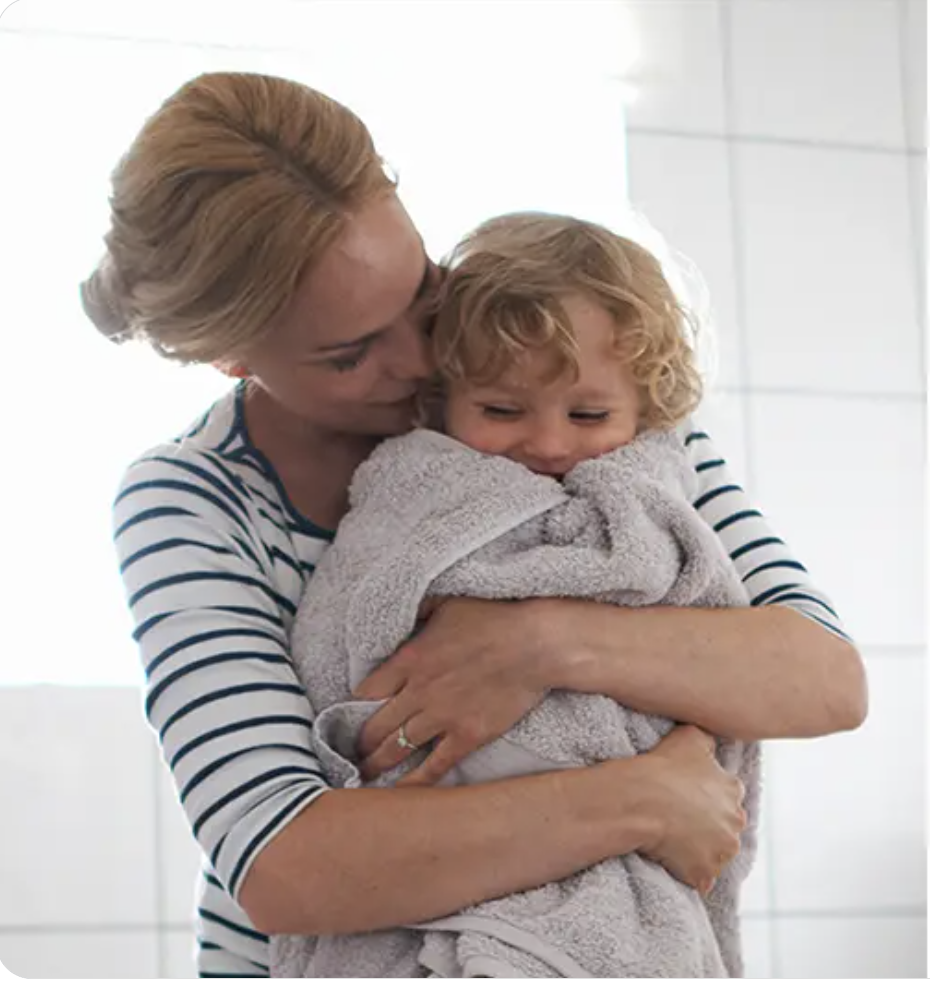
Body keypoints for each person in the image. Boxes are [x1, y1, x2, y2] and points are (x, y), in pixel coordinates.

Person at [82, 72, 866, 979]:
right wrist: (642, 800)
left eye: (421, 293)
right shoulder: (195, 502)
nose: (422, 360)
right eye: (349, 353)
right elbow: (285, 864)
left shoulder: (573, 406)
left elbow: (824, 680)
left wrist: (543, 642)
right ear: (229, 357)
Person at [274, 210, 762, 979]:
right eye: (501, 410)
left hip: (626, 859)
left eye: (590, 414)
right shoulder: (417, 491)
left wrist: (552, 650)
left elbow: (788, 669)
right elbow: (346, 638)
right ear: (440, 400)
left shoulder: (665, 492)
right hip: (427, 847)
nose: (551, 443)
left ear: (646, 406)